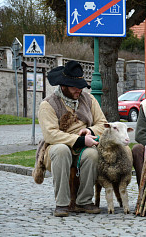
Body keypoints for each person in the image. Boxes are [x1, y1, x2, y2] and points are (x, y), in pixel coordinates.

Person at [37, 61, 107, 217]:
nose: (79, 89)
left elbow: (102, 123)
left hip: (83, 147)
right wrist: (80, 141)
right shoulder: (48, 104)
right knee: (62, 151)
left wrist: (89, 130)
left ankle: (84, 201)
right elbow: (51, 134)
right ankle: (62, 204)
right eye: (74, 86)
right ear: (63, 86)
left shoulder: (88, 100)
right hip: (55, 148)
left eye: (80, 85)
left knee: (92, 154)